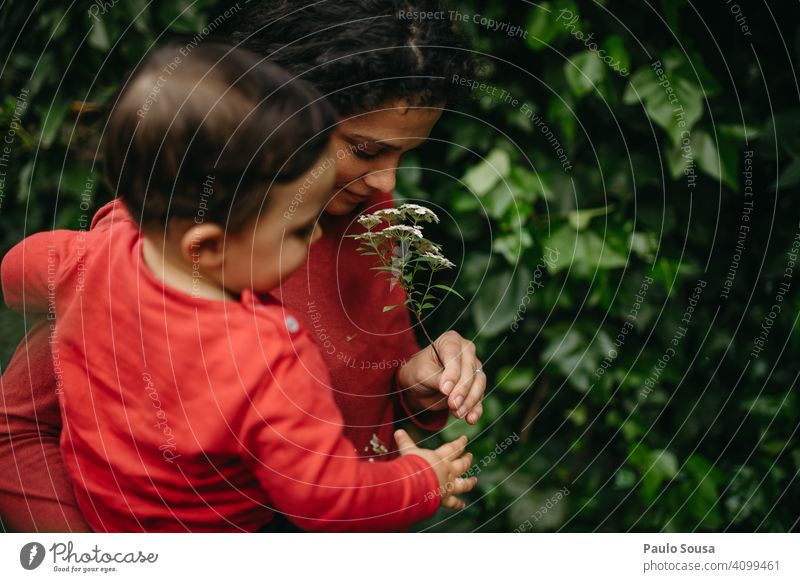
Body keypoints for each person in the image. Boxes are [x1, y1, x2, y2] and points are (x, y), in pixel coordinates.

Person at [0, 0, 485, 531]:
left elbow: (362, 374)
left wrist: (413, 383)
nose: (387, 184)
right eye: (365, 150)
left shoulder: (369, 218)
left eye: (405, 155)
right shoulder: (152, 253)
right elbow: (19, 429)